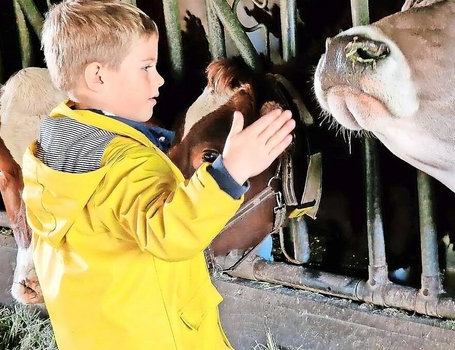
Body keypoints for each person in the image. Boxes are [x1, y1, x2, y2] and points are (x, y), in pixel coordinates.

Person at [21, 1, 295, 349]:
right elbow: (169, 233)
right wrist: (231, 172)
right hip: (160, 334)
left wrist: (153, 141)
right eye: (146, 67)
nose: (160, 78)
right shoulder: (125, 165)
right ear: (98, 77)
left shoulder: (50, 150)